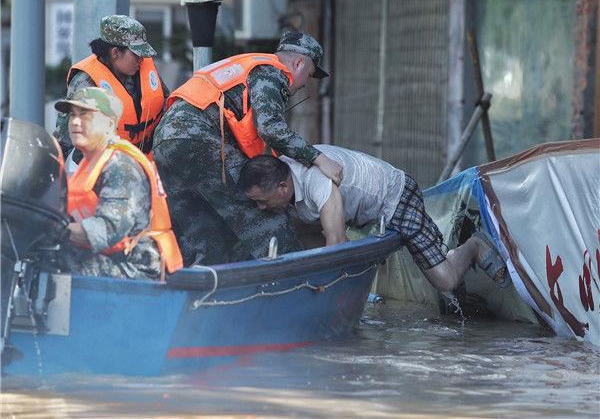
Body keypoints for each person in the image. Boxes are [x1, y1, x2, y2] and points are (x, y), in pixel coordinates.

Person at [152, 30, 343, 266]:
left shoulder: (246, 66)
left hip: (164, 143)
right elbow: (270, 128)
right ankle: (297, 281)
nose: (303, 86)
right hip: (196, 139)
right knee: (262, 202)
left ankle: (202, 290)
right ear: (299, 63)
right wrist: (319, 159)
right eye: (309, 76)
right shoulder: (270, 73)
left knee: (201, 227)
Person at [238, 145, 511, 292]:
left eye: (262, 201)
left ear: (283, 188)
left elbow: (336, 241)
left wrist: (323, 292)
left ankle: (475, 246)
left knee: (446, 281)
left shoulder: (316, 180)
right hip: (364, 213)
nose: (260, 208)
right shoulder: (284, 175)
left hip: (396, 197)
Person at [55, 87, 182, 279]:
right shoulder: (87, 163)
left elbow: (106, 232)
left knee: (54, 261)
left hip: (138, 270)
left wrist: (51, 228)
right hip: (111, 260)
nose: (75, 122)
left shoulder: (120, 166)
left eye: (85, 115)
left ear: (109, 124)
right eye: (72, 115)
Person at [54, 15, 169, 162]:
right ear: (115, 53)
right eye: (136, 54)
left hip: (147, 163)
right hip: (106, 168)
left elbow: (166, 104)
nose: (142, 59)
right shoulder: (86, 82)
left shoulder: (141, 66)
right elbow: (64, 138)